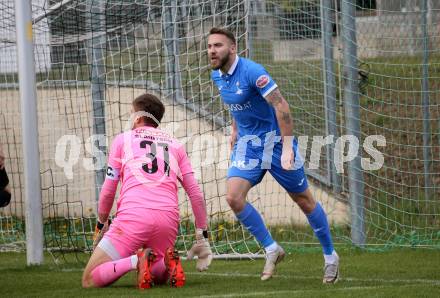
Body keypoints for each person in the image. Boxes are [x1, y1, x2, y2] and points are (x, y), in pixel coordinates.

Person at [207, 27, 339, 283]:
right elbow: (235, 103)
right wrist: (235, 129)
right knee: (234, 198)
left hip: (276, 144)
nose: (212, 50)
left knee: (304, 201)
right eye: (210, 45)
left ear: (233, 49)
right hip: (248, 146)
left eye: (218, 45)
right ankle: (271, 248)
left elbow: (282, 106)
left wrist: (288, 148)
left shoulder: (254, 72)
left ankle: (331, 257)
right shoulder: (217, 76)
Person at [82, 93, 212, 289]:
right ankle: (166, 263)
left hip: (133, 217)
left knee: (89, 278)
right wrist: (202, 237)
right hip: (167, 219)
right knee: (156, 275)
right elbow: (195, 194)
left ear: (139, 117)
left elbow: (108, 191)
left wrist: (101, 223)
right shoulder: (176, 145)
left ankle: (136, 260)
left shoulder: (122, 140)